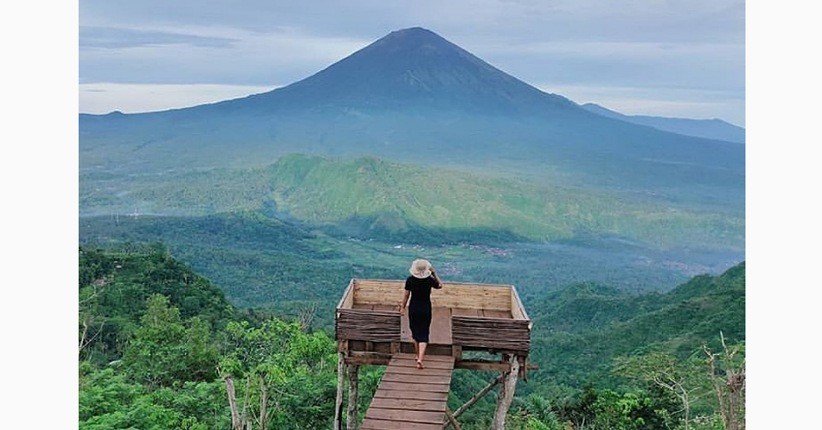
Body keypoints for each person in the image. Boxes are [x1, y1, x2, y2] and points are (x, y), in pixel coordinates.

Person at [400, 258, 443, 369]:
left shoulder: (410, 280)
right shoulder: (429, 280)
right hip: (425, 308)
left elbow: (406, 296)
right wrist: (434, 273)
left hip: (414, 308)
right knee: (424, 332)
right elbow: (440, 285)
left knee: (415, 332)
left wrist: (402, 308)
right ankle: (420, 358)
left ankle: (417, 355)